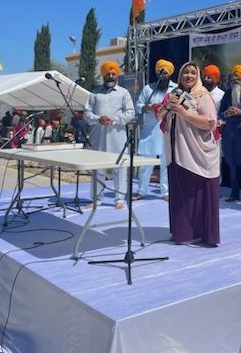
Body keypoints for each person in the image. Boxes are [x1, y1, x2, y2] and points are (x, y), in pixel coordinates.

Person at [156, 62, 220, 246]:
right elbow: (159, 116)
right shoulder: (174, 94)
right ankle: (182, 233)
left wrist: (183, 112)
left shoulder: (203, 96)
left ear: (197, 76)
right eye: (185, 73)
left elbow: (209, 123)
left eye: (193, 73)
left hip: (197, 153)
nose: (189, 76)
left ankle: (199, 232)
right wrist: (167, 106)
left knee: (195, 194)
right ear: (180, 76)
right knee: (180, 193)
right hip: (177, 152)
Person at [84, 61, 135, 209]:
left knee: (119, 167)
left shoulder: (123, 93)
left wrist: (114, 120)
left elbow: (130, 112)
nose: (111, 76)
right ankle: (96, 199)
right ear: (103, 76)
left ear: (117, 75)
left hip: (117, 136)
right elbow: (86, 113)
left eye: (113, 74)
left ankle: (119, 199)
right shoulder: (94, 93)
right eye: (108, 74)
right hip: (98, 136)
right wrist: (97, 119)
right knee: (97, 168)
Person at [135, 59, 177, 201]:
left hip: (168, 130)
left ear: (170, 73)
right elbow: (138, 105)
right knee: (145, 164)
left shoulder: (176, 88)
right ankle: (141, 191)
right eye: (160, 72)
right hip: (150, 131)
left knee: (166, 163)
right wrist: (149, 107)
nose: (162, 75)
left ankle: (166, 192)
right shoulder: (148, 89)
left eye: (165, 72)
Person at [218, 65, 241, 203]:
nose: (234, 78)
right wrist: (226, 113)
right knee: (231, 162)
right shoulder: (227, 93)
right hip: (230, 132)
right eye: (233, 76)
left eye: (238, 76)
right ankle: (234, 192)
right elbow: (220, 113)